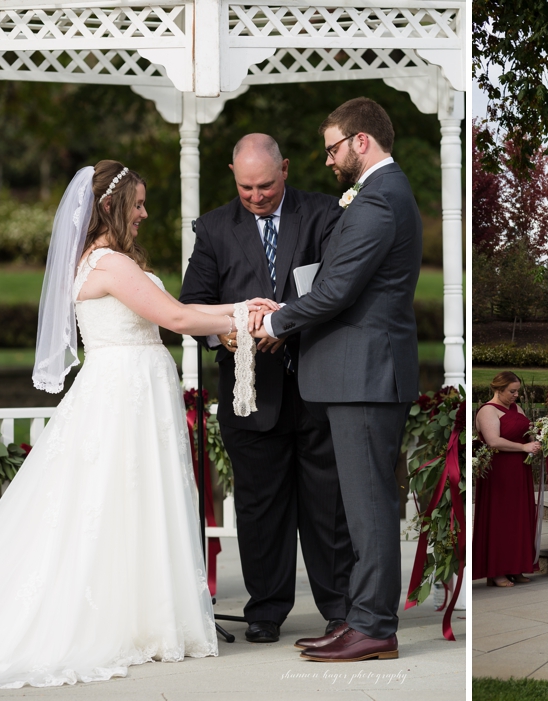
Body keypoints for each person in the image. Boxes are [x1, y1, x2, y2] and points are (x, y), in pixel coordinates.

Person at [0, 162, 275, 687]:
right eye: (139, 203)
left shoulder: (102, 261)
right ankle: (128, 621)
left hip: (130, 385)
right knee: (118, 497)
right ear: (110, 206)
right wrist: (246, 314)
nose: (146, 213)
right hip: (125, 390)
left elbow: (178, 310)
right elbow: (177, 320)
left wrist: (239, 307)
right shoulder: (108, 263)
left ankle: (139, 615)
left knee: (128, 501)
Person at [256, 98, 424, 663]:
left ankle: (375, 626)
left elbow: (337, 290)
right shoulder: (378, 194)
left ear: (360, 142)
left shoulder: (380, 198)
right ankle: (359, 618)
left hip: (367, 377)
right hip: (358, 376)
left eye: (332, 148)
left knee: (370, 506)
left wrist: (277, 320)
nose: (327, 161)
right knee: (359, 506)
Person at [180, 133, 351, 646]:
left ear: (287, 169)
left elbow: (337, 291)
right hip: (248, 394)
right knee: (259, 508)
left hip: (317, 387)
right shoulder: (212, 228)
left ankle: (339, 608)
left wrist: (286, 327)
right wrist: (233, 336)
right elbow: (193, 306)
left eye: (266, 186)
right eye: (245, 187)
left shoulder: (325, 214)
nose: (255, 196)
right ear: (233, 174)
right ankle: (266, 610)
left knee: (329, 507)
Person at [475, 371, 542, 588]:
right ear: (498, 389)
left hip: (520, 470)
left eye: (517, 392)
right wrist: (523, 447)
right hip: (499, 471)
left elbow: (526, 431)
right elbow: (493, 441)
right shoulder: (488, 410)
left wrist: (539, 439)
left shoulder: (517, 408)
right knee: (501, 519)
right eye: (511, 391)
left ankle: (516, 567)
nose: (515, 396)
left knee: (519, 517)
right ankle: (497, 571)